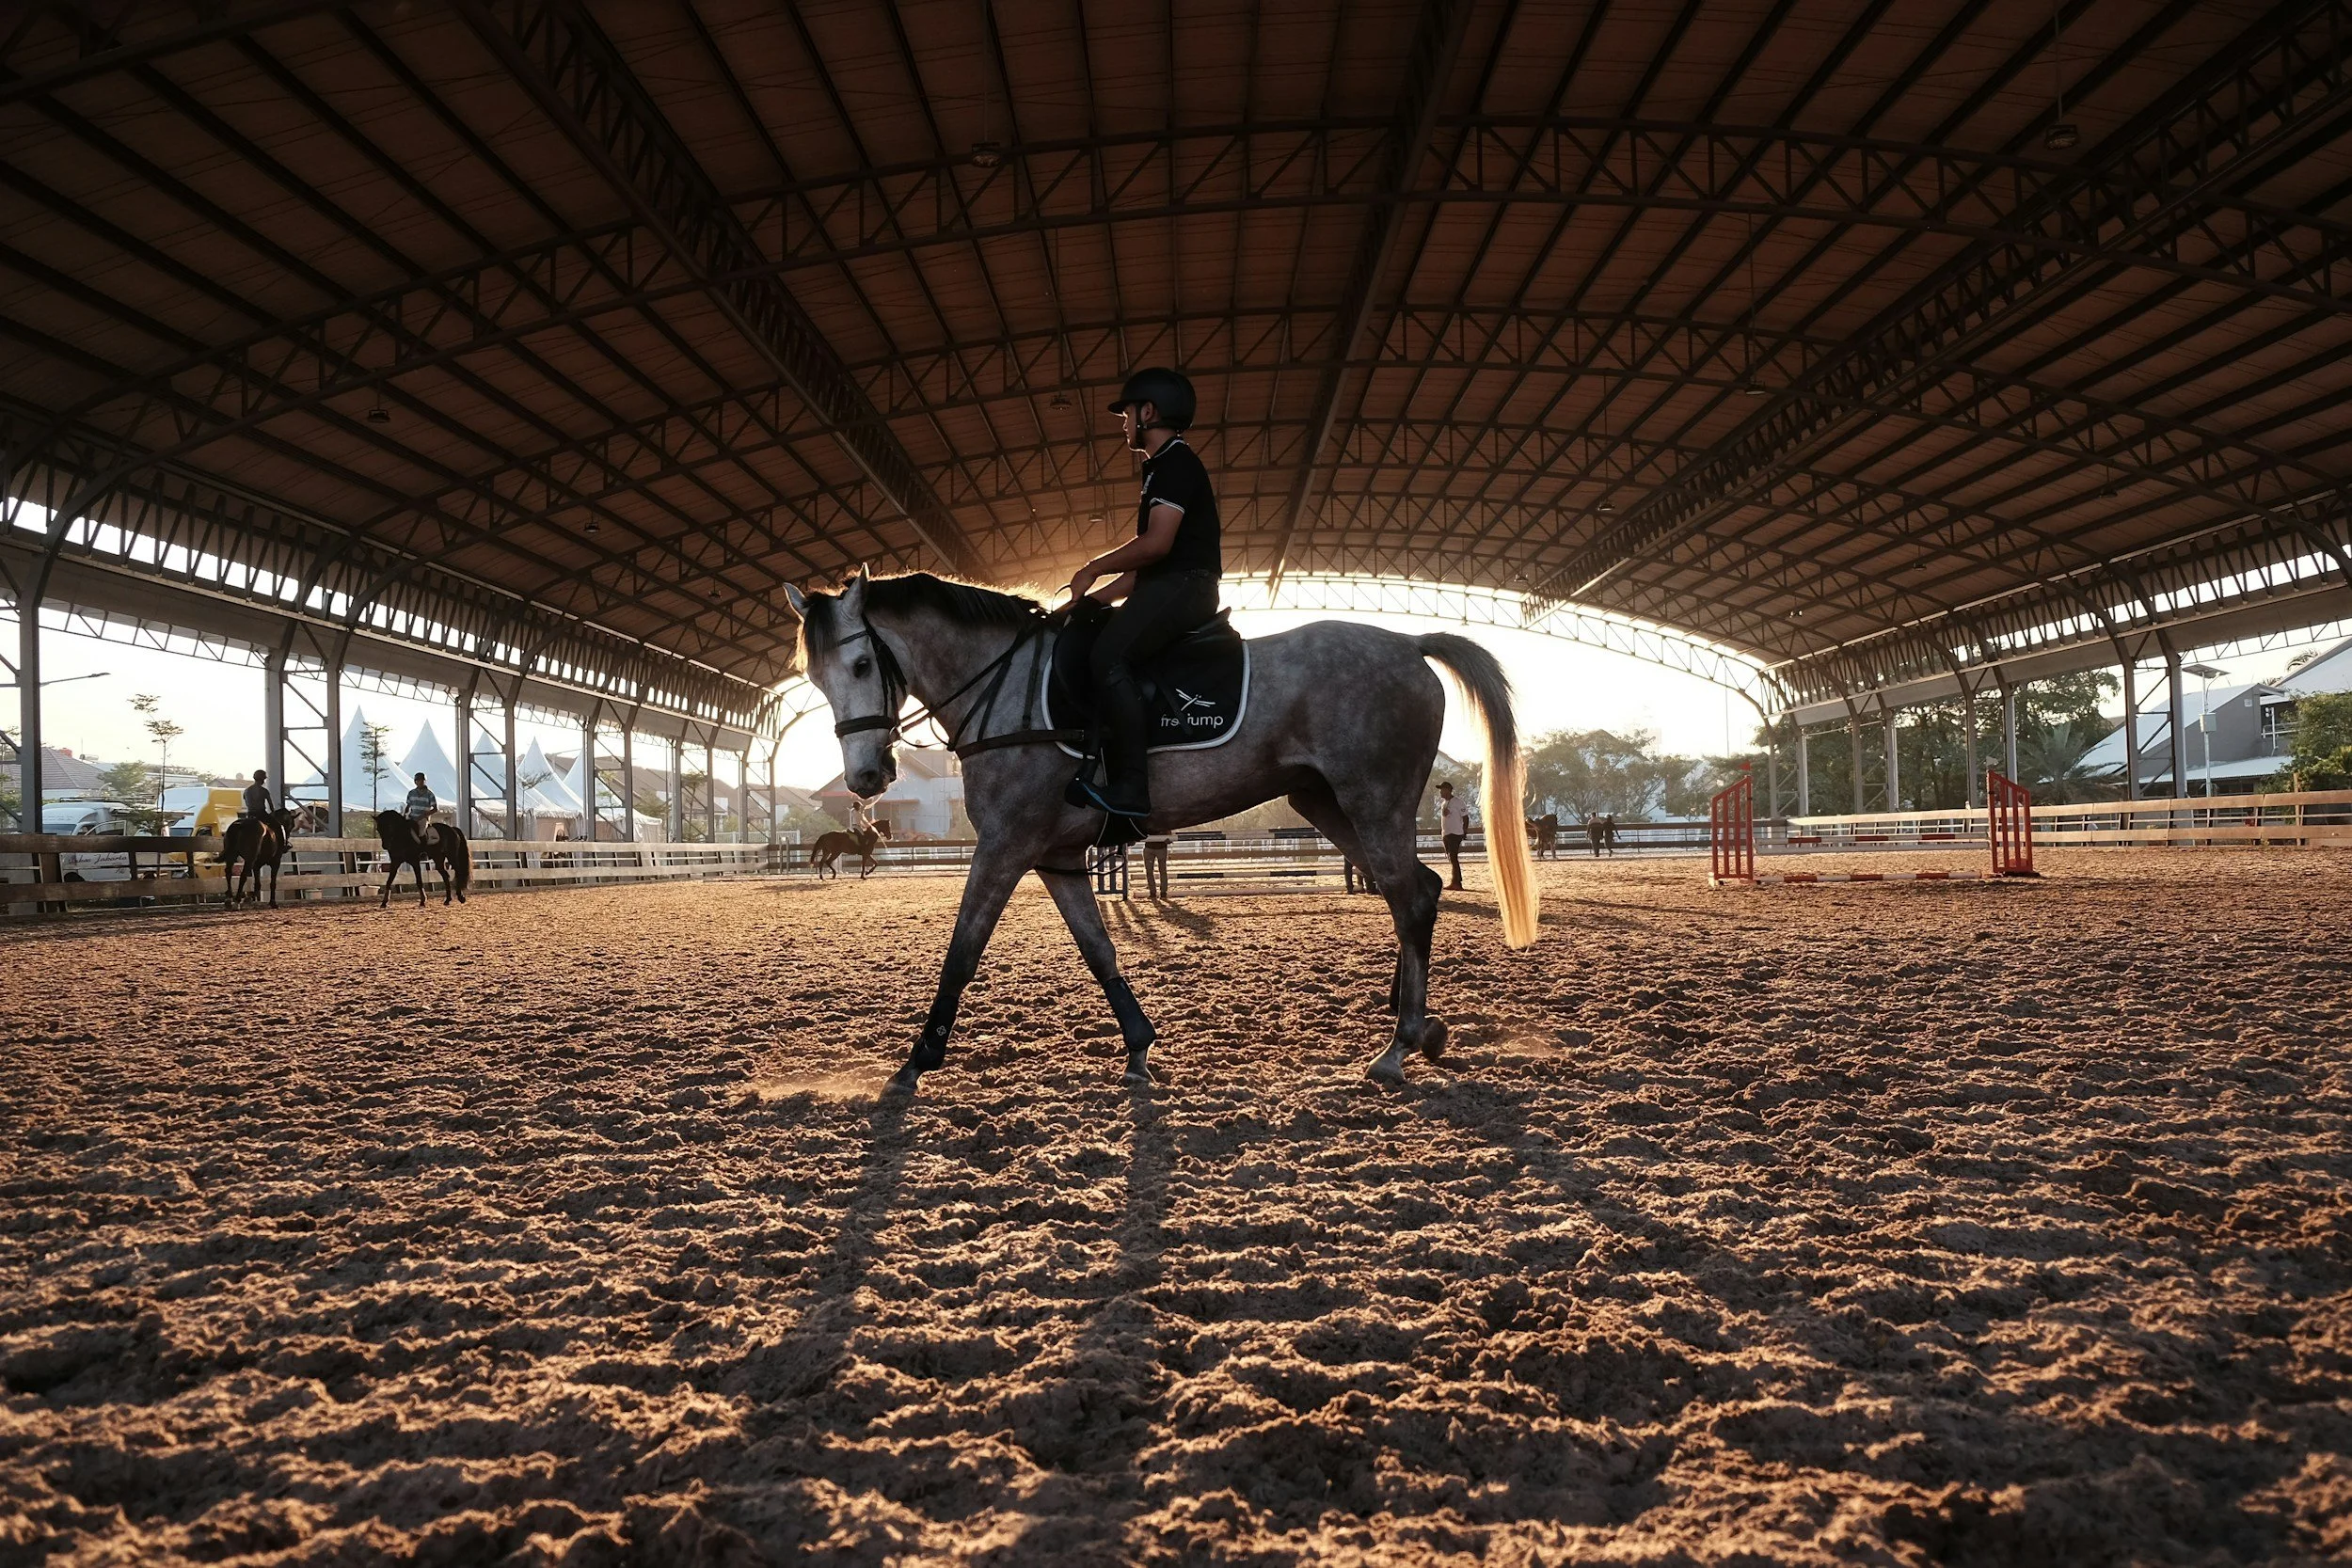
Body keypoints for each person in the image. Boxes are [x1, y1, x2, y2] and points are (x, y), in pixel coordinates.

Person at [1063, 366, 1221, 823]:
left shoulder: (1175, 464)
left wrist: (1091, 569)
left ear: (1148, 411)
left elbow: (1156, 546)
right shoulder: (1160, 468)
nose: (1124, 423)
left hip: (1187, 586)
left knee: (1109, 658)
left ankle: (1132, 786)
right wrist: (1092, 601)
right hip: (1168, 584)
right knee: (1093, 633)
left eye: (1127, 414)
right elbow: (1145, 568)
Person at [1437, 780, 1472, 891]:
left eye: (1442, 790)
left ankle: (1456, 882)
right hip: (1446, 833)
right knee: (1451, 857)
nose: (1440, 792)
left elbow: (1465, 817)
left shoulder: (1458, 802)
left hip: (1455, 833)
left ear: (1448, 790)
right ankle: (1456, 880)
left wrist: (1464, 830)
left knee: (1453, 857)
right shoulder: (1444, 803)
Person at [403, 771, 438, 847]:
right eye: (418, 780)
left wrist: (424, 815)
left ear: (425, 781)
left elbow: (435, 809)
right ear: (415, 782)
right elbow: (408, 805)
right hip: (412, 816)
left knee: (421, 832)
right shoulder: (411, 793)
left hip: (423, 818)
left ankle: (423, 850)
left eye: (422, 780)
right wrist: (404, 815)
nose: (420, 782)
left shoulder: (430, 794)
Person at [1142, 829, 1171, 899]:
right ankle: (1161, 892)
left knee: (1153, 871)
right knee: (1161, 871)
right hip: (1158, 848)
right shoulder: (1164, 823)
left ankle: (1155, 892)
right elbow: (1169, 838)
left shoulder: (1163, 823)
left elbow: (1169, 837)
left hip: (1152, 848)